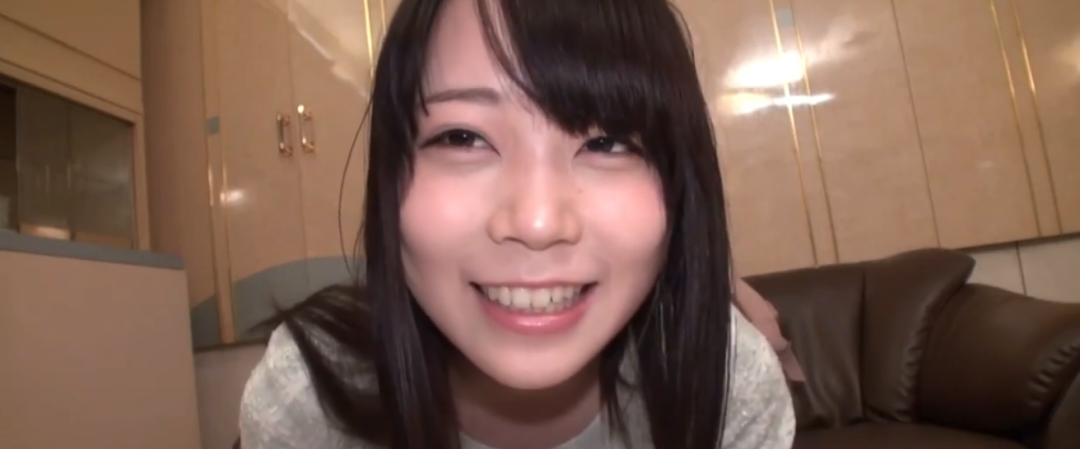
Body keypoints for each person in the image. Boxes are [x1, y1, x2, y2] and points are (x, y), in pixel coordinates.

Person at [238, 0, 796, 448]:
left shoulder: (727, 386)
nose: (537, 221)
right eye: (462, 137)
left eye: (607, 143)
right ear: (389, 175)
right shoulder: (309, 405)